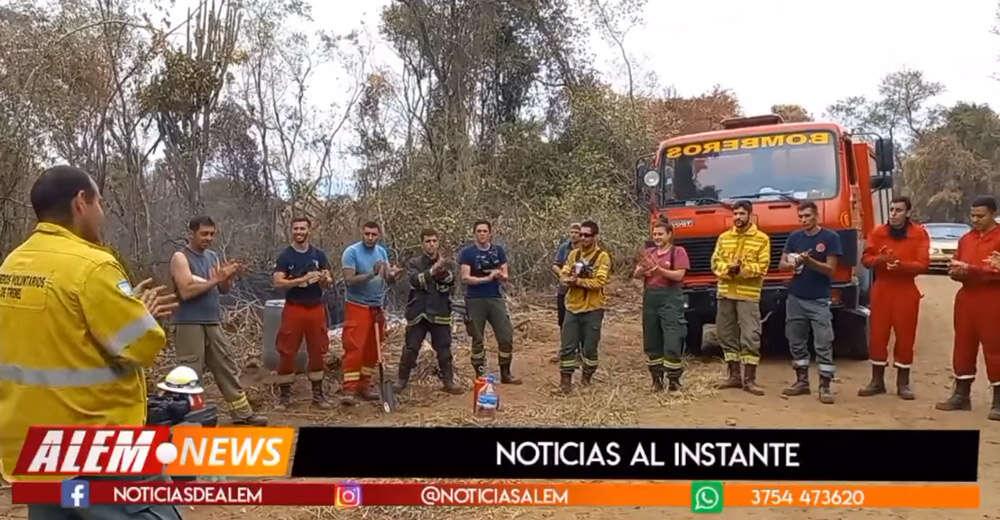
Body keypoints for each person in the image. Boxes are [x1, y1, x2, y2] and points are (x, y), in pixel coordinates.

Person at [0, 165, 181, 519]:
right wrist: (142, 315)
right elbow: (141, 344)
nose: (102, 212)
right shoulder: (93, 266)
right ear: (81, 202)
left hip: (35, 450)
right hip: (96, 448)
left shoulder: (12, 265)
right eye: (100, 201)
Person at [169, 216, 267, 425]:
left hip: (212, 321)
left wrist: (228, 276)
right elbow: (186, 291)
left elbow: (223, 289)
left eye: (212, 234)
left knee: (226, 366)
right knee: (190, 372)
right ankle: (193, 419)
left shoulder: (213, 256)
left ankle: (242, 413)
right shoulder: (181, 257)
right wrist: (215, 279)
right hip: (189, 323)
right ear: (192, 233)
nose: (208, 238)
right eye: (204, 234)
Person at [858, 196, 930, 400]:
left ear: (907, 213)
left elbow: (923, 264)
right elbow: (866, 259)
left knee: (906, 336)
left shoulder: (919, 234)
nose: (893, 214)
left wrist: (901, 266)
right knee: (877, 335)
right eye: (891, 210)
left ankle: (903, 383)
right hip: (882, 288)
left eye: (898, 210)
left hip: (906, 289)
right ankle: (877, 381)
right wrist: (880, 259)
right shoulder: (878, 232)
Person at [936, 196, 1000, 421]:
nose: (975, 220)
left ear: (993, 214)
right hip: (967, 297)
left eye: (980, 216)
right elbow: (957, 263)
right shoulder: (966, 239)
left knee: (995, 347)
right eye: (972, 216)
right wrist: (956, 271)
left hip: (993, 298)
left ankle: (999, 400)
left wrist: (972, 270)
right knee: (963, 345)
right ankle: (961, 394)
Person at [779, 201, 843, 404]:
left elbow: (831, 269)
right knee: (796, 340)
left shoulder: (830, 237)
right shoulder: (794, 237)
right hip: (796, 297)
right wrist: (792, 264)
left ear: (817, 216)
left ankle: (825, 386)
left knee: (823, 342)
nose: (804, 220)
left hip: (819, 299)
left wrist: (810, 262)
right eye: (801, 217)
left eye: (807, 216)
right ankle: (802, 381)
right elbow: (781, 264)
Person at [271, 217, 334, 410]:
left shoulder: (318, 254)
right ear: (291, 231)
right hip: (294, 308)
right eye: (296, 229)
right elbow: (277, 282)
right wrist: (300, 280)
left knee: (318, 350)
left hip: (316, 308)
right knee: (287, 350)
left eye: (302, 228)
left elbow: (329, 280)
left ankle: (318, 394)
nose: (299, 232)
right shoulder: (285, 256)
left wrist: (324, 278)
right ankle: (285, 396)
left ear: (309, 230)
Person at [709, 200, 770, 395]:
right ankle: (734, 376)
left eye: (742, 214)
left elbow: (763, 267)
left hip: (748, 295)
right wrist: (729, 270)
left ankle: (750, 380)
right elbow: (715, 263)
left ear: (750, 215)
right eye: (735, 214)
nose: (737, 217)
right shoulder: (724, 238)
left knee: (750, 335)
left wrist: (742, 269)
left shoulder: (762, 239)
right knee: (725, 334)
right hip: (725, 292)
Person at [394, 228, 463, 394]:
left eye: (434, 241)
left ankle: (448, 381)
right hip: (418, 311)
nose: (431, 244)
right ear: (422, 243)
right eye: (427, 241)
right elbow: (415, 281)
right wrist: (432, 271)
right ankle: (401, 380)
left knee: (444, 349)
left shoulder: (449, 263)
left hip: (440, 310)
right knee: (411, 348)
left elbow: (451, 284)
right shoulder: (414, 263)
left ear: (438, 242)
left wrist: (442, 272)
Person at [340, 221, 402, 405]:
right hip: (357, 305)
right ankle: (349, 389)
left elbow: (387, 278)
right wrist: (370, 274)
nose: (370, 237)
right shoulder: (351, 252)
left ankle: (364, 385)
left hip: (377, 306)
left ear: (379, 235)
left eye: (374, 234)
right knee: (354, 347)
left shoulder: (381, 252)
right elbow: (349, 280)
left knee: (372, 349)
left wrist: (393, 275)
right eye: (367, 233)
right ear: (362, 232)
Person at [459, 220, 522, 384]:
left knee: (506, 336)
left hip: (495, 297)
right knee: (477, 338)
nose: (482, 234)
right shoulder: (467, 253)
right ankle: (479, 375)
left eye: (485, 231)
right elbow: (465, 278)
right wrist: (486, 278)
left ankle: (506, 373)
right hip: (475, 300)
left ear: (490, 233)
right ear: (474, 233)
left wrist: (499, 275)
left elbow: (506, 275)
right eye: (479, 231)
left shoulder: (498, 251)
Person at [557, 220, 612, 393]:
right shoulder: (573, 255)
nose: (582, 238)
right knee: (567, 346)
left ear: (595, 237)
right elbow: (564, 273)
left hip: (593, 308)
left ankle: (586, 380)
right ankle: (565, 383)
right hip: (572, 307)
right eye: (580, 234)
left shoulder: (602, 256)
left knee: (589, 347)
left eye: (586, 235)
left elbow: (600, 281)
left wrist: (578, 281)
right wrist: (566, 279)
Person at [634, 220, 689, 392]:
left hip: (670, 300)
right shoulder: (648, 252)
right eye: (655, 234)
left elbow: (679, 275)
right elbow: (636, 274)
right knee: (652, 340)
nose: (656, 237)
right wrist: (644, 270)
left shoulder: (678, 252)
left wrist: (659, 270)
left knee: (672, 339)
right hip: (651, 299)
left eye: (660, 234)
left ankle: (673, 380)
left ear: (670, 234)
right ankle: (656, 380)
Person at [550, 223, 582, 363]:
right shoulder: (564, 247)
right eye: (572, 232)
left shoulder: (586, 248)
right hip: (564, 289)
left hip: (581, 290)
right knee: (563, 322)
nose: (574, 235)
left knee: (580, 321)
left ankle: (580, 352)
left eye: (577, 232)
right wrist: (562, 275)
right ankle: (564, 350)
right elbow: (555, 265)